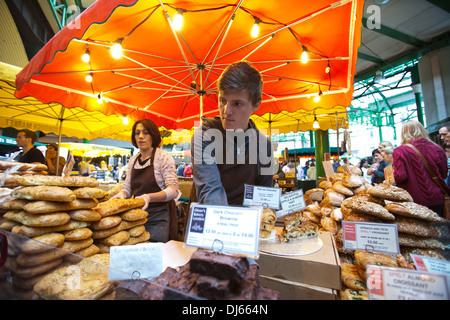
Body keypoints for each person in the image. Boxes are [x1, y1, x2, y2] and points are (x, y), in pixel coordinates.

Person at [191, 61, 273, 206]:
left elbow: (263, 197)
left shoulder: (263, 145)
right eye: (222, 100)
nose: (226, 111)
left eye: (237, 104)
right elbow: (211, 192)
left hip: (246, 222)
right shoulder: (204, 136)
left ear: (256, 105)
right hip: (208, 222)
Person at [111, 119, 180, 242]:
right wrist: (121, 194)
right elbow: (127, 188)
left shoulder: (163, 157)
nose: (141, 137)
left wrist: (148, 197)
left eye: (145, 132)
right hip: (136, 217)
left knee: (156, 253)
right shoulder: (133, 160)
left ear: (153, 135)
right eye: (137, 133)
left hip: (158, 217)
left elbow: (173, 190)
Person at [393, 120, 449, 216]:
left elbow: (401, 177)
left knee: (420, 230)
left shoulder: (400, 151)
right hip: (438, 198)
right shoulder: (437, 148)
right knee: (440, 229)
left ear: (403, 133)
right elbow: (443, 174)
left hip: (414, 201)